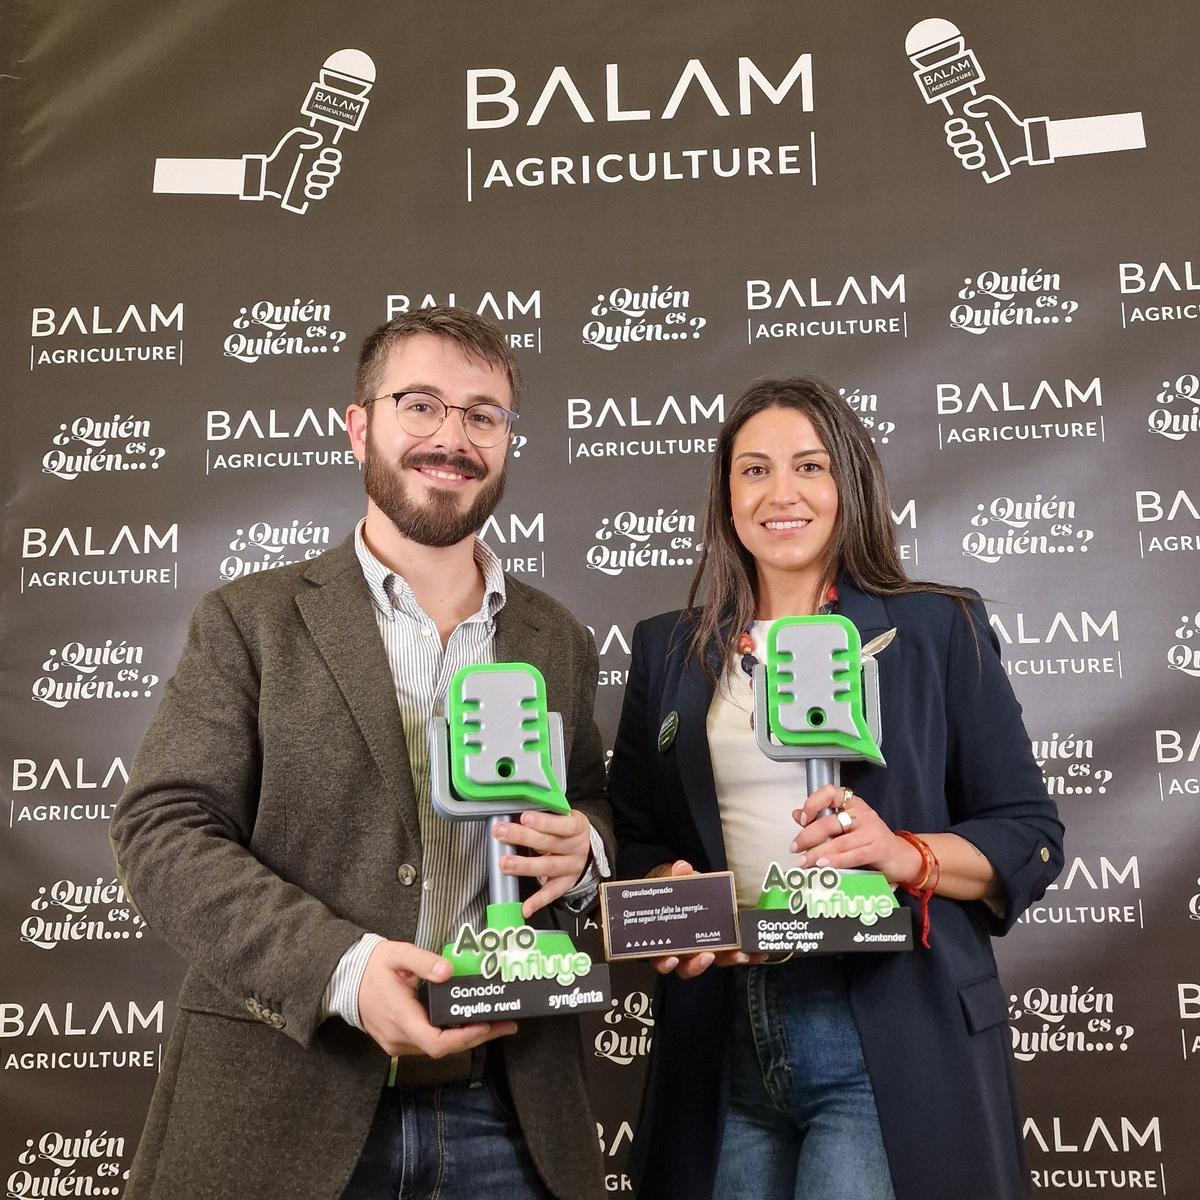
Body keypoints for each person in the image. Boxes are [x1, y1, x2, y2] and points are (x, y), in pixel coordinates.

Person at [111, 308, 612, 1200]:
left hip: (509, 1115)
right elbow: (163, 830)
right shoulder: (250, 621)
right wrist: (341, 970)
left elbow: (591, 806)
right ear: (359, 427)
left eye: (482, 415)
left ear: (506, 439)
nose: (451, 439)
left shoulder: (559, 638)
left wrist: (585, 850)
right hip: (282, 1107)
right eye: (420, 405)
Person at [608, 377, 1064, 1200]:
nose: (780, 493)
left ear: (848, 483)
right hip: (719, 1036)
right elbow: (637, 831)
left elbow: (1027, 830)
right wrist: (662, 883)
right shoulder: (667, 649)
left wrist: (902, 853)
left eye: (809, 466)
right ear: (726, 495)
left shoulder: (938, 628)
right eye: (754, 470)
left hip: (885, 1029)